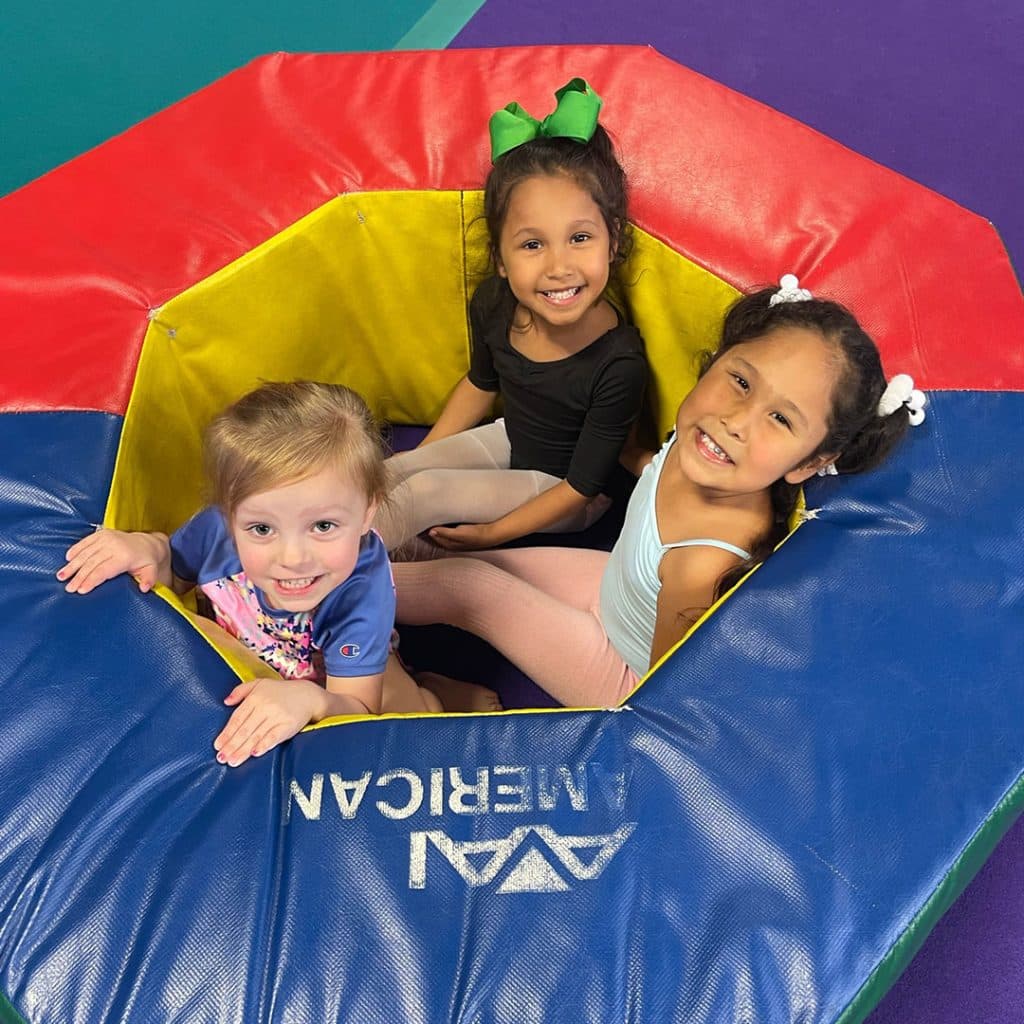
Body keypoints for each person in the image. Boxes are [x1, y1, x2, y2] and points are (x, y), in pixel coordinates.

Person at [388, 276, 927, 710]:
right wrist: (621, 447)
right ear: (715, 362)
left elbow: (665, 699)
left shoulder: (701, 564)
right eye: (741, 381)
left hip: (622, 671)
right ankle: (382, 626)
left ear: (808, 463)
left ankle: (355, 619)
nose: (736, 420)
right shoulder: (700, 443)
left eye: (780, 419)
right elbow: (650, 465)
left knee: (471, 587)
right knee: (443, 554)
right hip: (614, 585)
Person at [58, 380, 441, 766]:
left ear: (368, 513)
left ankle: (433, 690)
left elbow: (358, 708)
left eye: (323, 526)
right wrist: (149, 549)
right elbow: (173, 573)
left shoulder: (360, 594)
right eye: (262, 529)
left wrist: (312, 700)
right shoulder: (217, 531)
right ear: (230, 516)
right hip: (265, 656)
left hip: (343, 673)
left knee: (409, 718)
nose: (292, 557)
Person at [374, 77, 647, 557]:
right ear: (500, 258)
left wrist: (491, 534)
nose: (559, 266)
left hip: (565, 494)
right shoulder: (494, 303)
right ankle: (273, 549)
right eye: (532, 244)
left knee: (423, 493)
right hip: (510, 439)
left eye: (580, 238)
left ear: (614, 241)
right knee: (389, 474)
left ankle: (319, 583)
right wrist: (423, 457)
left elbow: (581, 488)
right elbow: (480, 384)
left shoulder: (620, 363)